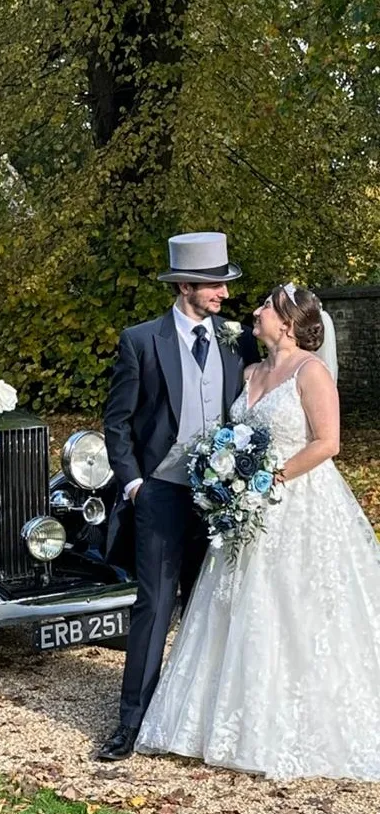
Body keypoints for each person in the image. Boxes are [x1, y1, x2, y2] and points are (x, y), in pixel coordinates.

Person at [136, 284, 380, 780]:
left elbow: (328, 443)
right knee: (237, 605)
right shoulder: (248, 371)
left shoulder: (311, 372)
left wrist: (270, 478)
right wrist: (227, 478)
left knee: (297, 608)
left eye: (265, 307)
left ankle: (295, 722)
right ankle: (222, 720)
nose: (255, 312)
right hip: (244, 507)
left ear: (287, 322)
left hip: (297, 503)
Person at [98, 232, 259, 762]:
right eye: (215, 284)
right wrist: (135, 483)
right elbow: (117, 422)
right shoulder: (142, 340)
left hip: (223, 496)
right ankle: (131, 723)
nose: (223, 295)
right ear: (186, 284)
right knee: (155, 605)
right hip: (162, 492)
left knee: (211, 605)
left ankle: (198, 722)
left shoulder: (238, 341)